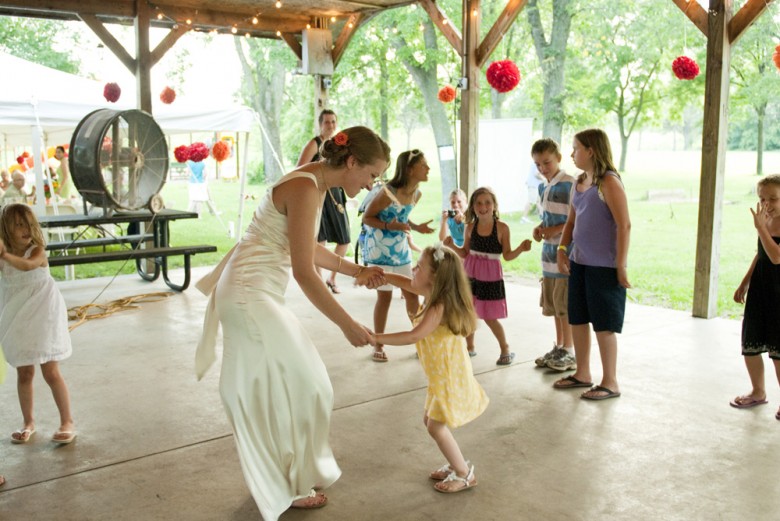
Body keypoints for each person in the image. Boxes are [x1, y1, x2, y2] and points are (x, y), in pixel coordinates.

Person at [194, 126, 389, 520]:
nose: (371, 185)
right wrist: (347, 323)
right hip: (250, 294)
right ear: (351, 162)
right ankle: (288, 481)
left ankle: (291, 476)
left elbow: (307, 248)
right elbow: (303, 271)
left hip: (256, 291)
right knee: (307, 386)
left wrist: (356, 270)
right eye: (371, 175)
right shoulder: (306, 187)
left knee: (298, 387)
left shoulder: (314, 183)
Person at [370, 244, 488, 493]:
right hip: (440, 377)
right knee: (430, 421)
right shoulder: (433, 294)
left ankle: (464, 473)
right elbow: (407, 283)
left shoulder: (438, 306)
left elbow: (414, 336)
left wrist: (376, 338)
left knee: (435, 426)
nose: (413, 269)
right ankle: (455, 463)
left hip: (448, 377)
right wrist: (382, 274)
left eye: (419, 267)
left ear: (434, 277)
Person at [553, 128, 631, 400]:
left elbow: (624, 225)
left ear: (591, 151)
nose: (572, 153)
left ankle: (610, 382)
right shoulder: (579, 181)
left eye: (576, 149)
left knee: (604, 324)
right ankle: (582, 373)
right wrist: (563, 249)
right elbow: (571, 221)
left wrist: (620, 265)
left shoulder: (608, 182)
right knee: (578, 318)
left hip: (604, 266)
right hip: (579, 262)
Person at [0, 204, 76, 444]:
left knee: (51, 371)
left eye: (28, 224)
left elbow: (28, 266)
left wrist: (5, 255)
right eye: (18, 225)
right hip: (19, 317)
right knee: (24, 372)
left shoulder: (37, 251)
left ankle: (67, 421)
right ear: (5, 229)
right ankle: (28, 421)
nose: (25, 230)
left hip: (45, 314)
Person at [445, 187, 532, 364]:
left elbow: (507, 255)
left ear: (494, 205)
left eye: (487, 203)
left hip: (490, 275)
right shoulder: (470, 227)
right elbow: (465, 252)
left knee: (489, 316)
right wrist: (452, 246)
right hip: (471, 272)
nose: (483, 206)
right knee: (468, 310)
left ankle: (505, 348)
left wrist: (521, 249)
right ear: (473, 206)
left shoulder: (502, 228)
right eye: (478, 203)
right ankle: (470, 347)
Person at [362, 149, 434, 362]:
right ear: (411, 169)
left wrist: (416, 227)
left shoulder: (416, 194)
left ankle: (420, 340)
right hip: (380, 251)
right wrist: (388, 225)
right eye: (424, 165)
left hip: (401, 251)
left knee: (412, 293)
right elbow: (368, 218)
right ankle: (379, 344)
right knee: (384, 297)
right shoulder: (388, 192)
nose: (428, 168)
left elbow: (401, 216)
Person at [730, 174, 780, 420]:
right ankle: (758, 391)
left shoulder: (768, 224)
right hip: (760, 288)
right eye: (762, 198)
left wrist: (761, 228)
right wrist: (745, 282)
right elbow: (760, 254)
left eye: (774, 199)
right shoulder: (767, 222)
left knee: (778, 350)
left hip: (778, 292)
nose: (767, 204)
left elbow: (776, 256)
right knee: (751, 342)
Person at [530, 139, 577, 372]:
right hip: (548, 255)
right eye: (538, 164)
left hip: (564, 253)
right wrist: (541, 228)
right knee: (554, 304)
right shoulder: (543, 186)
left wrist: (553, 231)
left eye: (546, 162)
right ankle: (559, 346)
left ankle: (570, 350)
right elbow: (549, 217)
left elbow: (573, 219)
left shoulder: (570, 185)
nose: (542, 168)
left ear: (559, 157)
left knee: (564, 303)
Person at [297, 109, 351, 294]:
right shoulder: (315, 143)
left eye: (333, 122)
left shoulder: (339, 145)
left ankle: (332, 278)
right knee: (320, 240)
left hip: (336, 194)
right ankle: (318, 281)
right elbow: (300, 168)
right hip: (319, 193)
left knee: (344, 239)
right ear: (320, 124)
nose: (330, 125)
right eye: (327, 122)